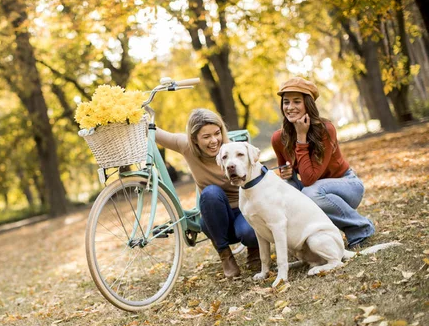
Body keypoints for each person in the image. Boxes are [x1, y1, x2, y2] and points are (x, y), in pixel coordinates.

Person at [271, 77, 375, 249]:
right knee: (289, 189)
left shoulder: (325, 130)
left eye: (297, 101)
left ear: (308, 104)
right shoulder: (278, 138)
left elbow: (309, 179)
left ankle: (361, 228)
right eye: (286, 102)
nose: (290, 107)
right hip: (317, 191)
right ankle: (307, 240)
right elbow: (285, 171)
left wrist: (302, 138)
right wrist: (285, 173)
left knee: (311, 192)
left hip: (346, 186)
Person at [156, 108, 260, 278]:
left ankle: (254, 250)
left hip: (245, 212)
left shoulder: (234, 150)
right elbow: (156, 133)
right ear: (194, 139)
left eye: (217, 133)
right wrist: (135, 115)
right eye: (206, 137)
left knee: (248, 232)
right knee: (210, 193)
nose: (214, 141)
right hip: (216, 220)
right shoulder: (187, 148)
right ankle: (225, 255)